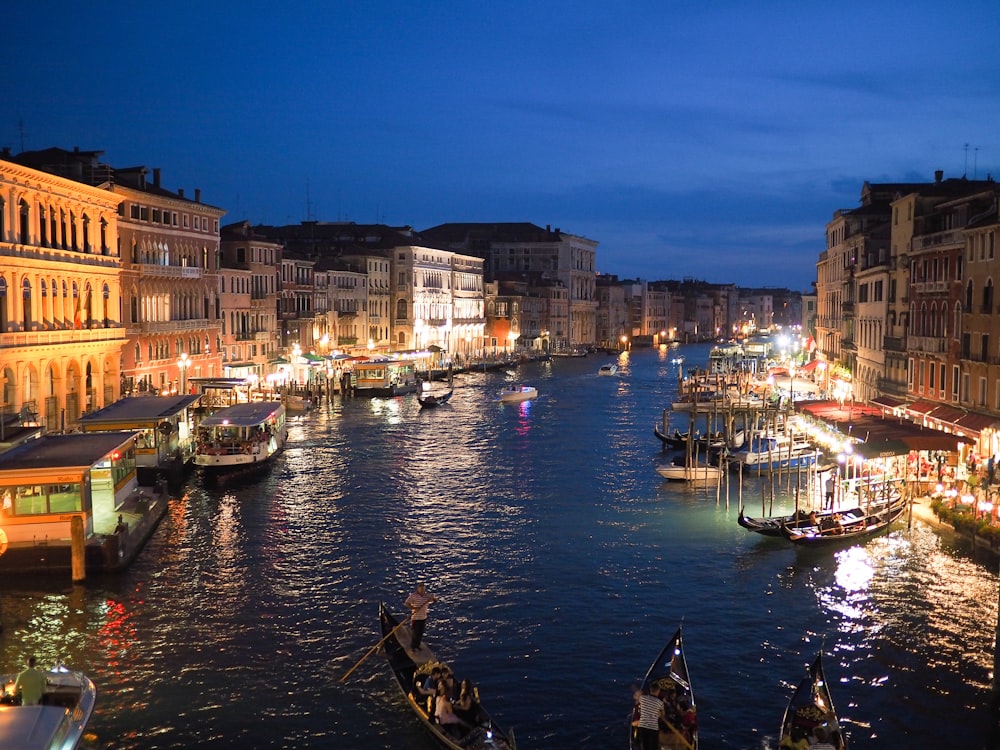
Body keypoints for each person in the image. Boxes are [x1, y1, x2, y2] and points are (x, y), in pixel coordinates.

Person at [404, 583, 438, 652]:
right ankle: (413, 647)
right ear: (418, 589)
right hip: (415, 618)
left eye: (423, 589)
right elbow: (406, 603)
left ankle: (417, 646)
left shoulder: (427, 596)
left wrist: (433, 598)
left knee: (420, 633)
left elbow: (435, 600)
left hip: (423, 618)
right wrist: (414, 608)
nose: (422, 591)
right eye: (421, 590)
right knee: (415, 633)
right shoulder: (413, 596)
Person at [633, 683, 665, 750]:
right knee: (653, 747)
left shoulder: (642, 698)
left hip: (643, 727)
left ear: (650, 690)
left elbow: (636, 699)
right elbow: (662, 715)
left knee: (644, 747)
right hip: (653, 728)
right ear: (658, 691)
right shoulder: (660, 703)